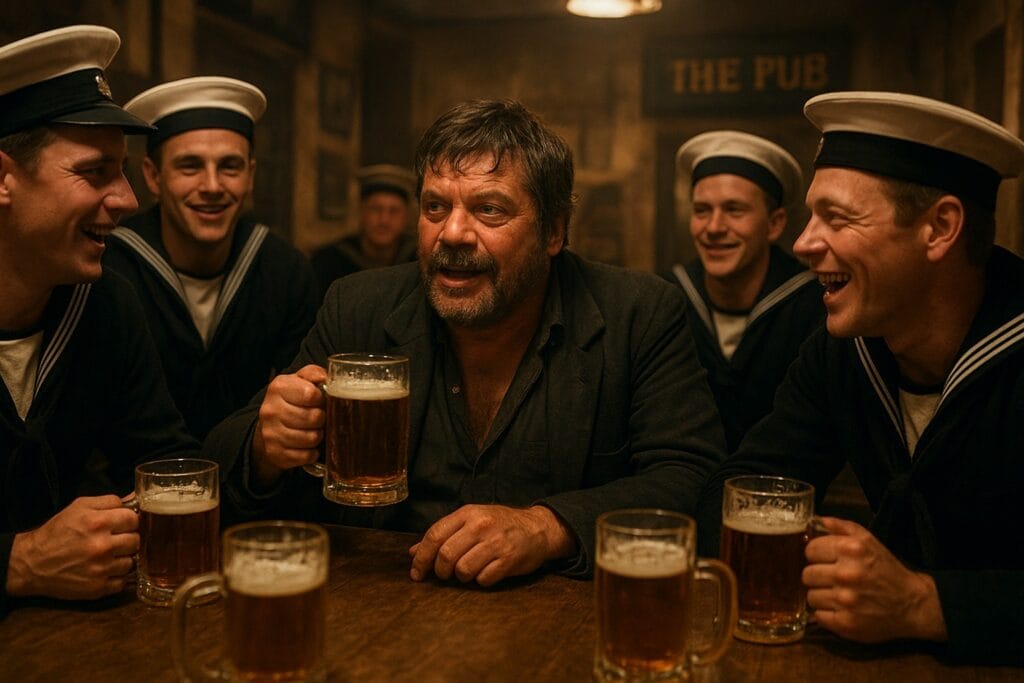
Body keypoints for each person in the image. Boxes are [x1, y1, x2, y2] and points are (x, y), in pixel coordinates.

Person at [206, 99, 726, 586]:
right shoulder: (359, 306)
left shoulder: (637, 314)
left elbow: (692, 478)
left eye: (490, 210)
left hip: (565, 614)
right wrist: (267, 446)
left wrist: (547, 528)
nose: (452, 233)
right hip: (382, 599)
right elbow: (223, 456)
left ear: (554, 232)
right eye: (435, 207)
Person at [696, 91, 1024, 664]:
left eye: (837, 218)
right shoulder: (842, 353)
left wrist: (924, 604)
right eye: (809, 216)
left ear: (940, 227)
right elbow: (737, 491)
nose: (803, 243)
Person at [0, 26, 199, 615]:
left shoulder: (105, 303)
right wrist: (18, 562)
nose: (128, 199)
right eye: (95, 172)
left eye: (125, 171)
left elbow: (165, 464)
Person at [103, 77, 318, 441]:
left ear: (250, 175)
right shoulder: (111, 268)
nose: (213, 186)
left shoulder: (284, 270)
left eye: (230, 166)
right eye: (190, 166)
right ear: (153, 177)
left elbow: (302, 405)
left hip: (250, 472)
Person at [667, 131, 823, 452]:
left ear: (774, 224)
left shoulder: (815, 306)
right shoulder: (667, 300)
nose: (714, 227)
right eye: (701, 210)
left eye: (734, 210)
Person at [310, 163, 417, 298]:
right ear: (361, 212)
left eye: (394, 211)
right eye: (375, 209)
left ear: (406, 216)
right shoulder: (328, 262)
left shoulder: (418, 261)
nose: (384, 220)